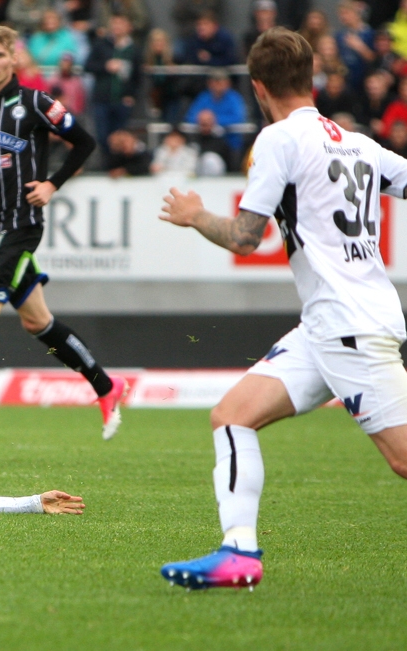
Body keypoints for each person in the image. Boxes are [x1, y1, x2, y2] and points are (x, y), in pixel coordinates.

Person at [158, 27, 407, 590]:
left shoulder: (277, 140)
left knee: (403, 459)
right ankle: (238, 554)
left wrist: (197, 215)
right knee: (231, 416)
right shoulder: (359, 143)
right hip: (328, 324)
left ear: (258, 87)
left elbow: (247, 237)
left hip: (351, 327)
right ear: (312, 76)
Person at [0, 25, 125, 458]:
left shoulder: (36, 103)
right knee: (36, 321)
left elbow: (84, 142)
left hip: (22, 223)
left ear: (14, 59)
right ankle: (106, 384)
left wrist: (53, 184)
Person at [85, 14, 141, 155]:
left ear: (129, 26)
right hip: (101, 98)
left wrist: (131, 95)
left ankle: (118, 164)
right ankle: (106, 165)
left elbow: (138, 76)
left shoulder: (134, 49)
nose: (117, 27)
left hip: (122, 99)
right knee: (103, 135)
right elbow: (88, 66)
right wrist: (105, 66)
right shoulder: (101, 44)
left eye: (120, 23)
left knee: (120, 135)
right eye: (114, 23)